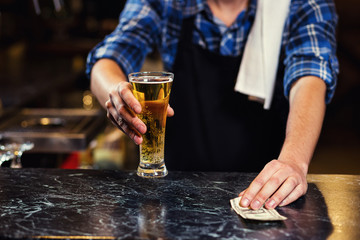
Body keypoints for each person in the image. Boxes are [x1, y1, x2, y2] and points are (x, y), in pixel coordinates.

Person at [86, 0, 338, 210]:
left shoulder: (300, 3)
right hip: (177, 196)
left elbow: (310, 75)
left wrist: (294, 161)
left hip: (264, 193)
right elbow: (108, 57)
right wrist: (115, 91)